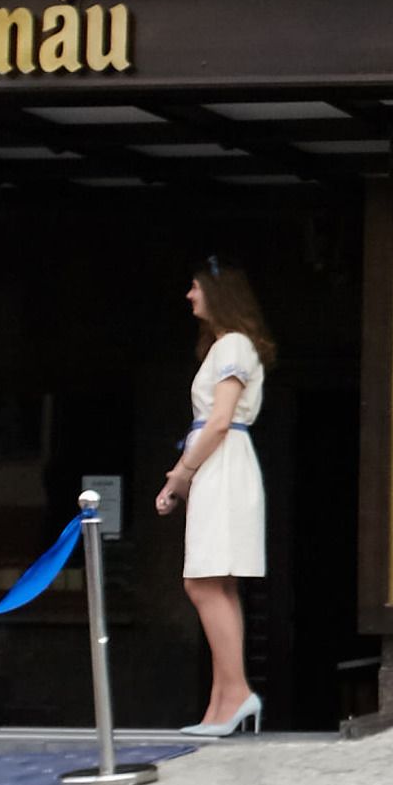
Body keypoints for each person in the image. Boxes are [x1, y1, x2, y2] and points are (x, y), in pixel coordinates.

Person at [154, 255, 270, 738]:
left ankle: (236, 692)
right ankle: (223, 701)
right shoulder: (228, 346)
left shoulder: (233, 346)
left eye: (196, 286)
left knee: (204, 582)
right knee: (216, 583)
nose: (189, 295)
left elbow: (220, 420)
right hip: (222, 461)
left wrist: (182, 473)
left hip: (222, 462)